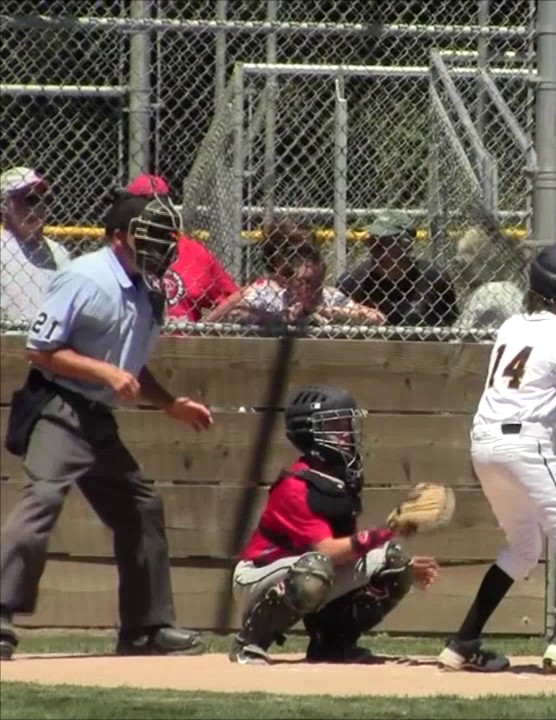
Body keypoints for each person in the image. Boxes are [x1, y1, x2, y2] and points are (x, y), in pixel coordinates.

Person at [0, 194, 212, 661]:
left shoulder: (149, 289)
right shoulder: (83, 277)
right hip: (60, 404)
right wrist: (105, 373)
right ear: (120, 238)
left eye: (165, 236)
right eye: (149, 235)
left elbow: (132, 367)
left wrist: (171, 404)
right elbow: (41, 349)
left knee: (142, 507)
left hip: (97, 418)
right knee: (45, 498)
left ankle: (146, 627)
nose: (162, 246)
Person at [437, 244, 556, 678]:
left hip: (484, 444)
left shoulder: (513, 324)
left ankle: (463, 642)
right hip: (527, 444)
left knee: (522, 550)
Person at [229, 384, 439, 665]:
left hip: (306, 568)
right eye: (336, 426)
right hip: (256, 578)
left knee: (395, 559)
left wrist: (403, 566)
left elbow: (344, 554)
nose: (347, 434)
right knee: (317, 566)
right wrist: (388, 530)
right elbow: (328, 552)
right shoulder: (296, 485)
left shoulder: (338, 480)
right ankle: (250, 642)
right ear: (309, 433)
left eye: (346, 424)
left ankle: (332, 643)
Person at [122, 173, 240, 323]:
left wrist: (206, 326)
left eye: (158, 205)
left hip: (182, 344)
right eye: (145, 205)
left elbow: (233, 298)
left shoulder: (195, 252)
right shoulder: (123, 249)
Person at [207, 235, 385, 327]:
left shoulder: (330, 297)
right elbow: (233, 314)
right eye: (304, 282)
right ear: (289, 279)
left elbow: (378, 318)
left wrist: (325, 311)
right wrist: (280, 319)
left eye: (316, 282)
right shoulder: (272, 297)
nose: (311, 289)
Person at [338, 211, 459, 327]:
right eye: (372, 241)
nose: (375, 250)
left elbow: (450, 324)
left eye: (384, 244)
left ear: (405, 246)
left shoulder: (434, 279)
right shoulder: (353, 281)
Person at [1, 167, 71, 324]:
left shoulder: (59, 252)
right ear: (4, 205)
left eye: (42, 199)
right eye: (29, 200)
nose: (37, 208)